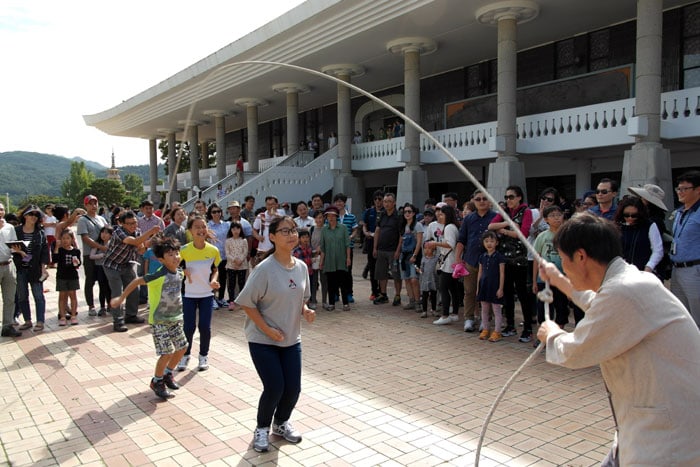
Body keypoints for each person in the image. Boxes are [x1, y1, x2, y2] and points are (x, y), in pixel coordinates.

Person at [536, 213, 700, 466]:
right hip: (645, 426)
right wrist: (559, 281)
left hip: (667, 439)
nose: (562, 265)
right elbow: (599, 305)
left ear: (580, 256)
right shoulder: (632, 281)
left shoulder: (624, 291)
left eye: (563, 260)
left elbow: (576, 351)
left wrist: (552, 334)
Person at [234, 216, 315, 453]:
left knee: (293, 388)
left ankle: (280, 423)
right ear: (272, 237)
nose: (291, 235)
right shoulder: (264, 269)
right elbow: (247, 304)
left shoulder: (300, 267)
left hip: (290, 338)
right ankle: (261, 429)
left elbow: (301, 299)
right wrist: (268, 329)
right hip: (262, 339)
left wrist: (306, 310)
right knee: (274, 387)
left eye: (294, 230)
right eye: (285, 231)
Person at [111, 236, 188, 400]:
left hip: (176, 318)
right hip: (159, 321)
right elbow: (136, 281)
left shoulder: (180, 273)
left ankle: (168, 374)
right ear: (161, 259)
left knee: (182, 347)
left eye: (176, 253)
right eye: (170, 254)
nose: (175, 257)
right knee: (166, 352)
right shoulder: (158, 276)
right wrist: (121, 298)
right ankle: (157, 381)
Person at [488, 186, 534, 341]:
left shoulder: (526, 212)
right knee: (506, 293)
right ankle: (510, 325)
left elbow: (522, 234)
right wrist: (507, 225)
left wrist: (505, 231)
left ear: (520, 197)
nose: (509, 200)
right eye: (506, 197)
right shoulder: (504, 212)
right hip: (503, 260)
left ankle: (527, 328)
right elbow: (491, 226)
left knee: (522, 294)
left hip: (519, 260)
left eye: (512, 197)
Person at [103, 211, 160, 332]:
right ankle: (118, 321)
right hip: (112, 265)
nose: (133, 226)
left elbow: (141, 249)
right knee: (117, 292)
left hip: (127, 264)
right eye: (129, 224)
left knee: (135, 289)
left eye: (134, 222)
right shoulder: (118, 232)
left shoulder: (138, 232)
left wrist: (147, 244)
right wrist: (150, 232)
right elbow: (134, 241)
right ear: (122, 224)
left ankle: (131, 315)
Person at [177, 215, 221, 372]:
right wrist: (183, 271)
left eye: (203, 227)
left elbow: (215, 270)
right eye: (197, 227)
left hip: (206, 295)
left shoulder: (213, 250)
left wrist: (214, 281)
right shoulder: (183, 251)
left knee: (205, 327)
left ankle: (203, 356)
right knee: (188, 327)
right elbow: (175, 269)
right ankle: (185, 355)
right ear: (190, 231)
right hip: (188, 295)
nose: (201, 230)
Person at [455, 190, 497, 332]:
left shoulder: (496, 217)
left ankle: (486, 320)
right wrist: (458, 258)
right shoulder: (468, 219)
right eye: (478, 199)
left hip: (489, 261)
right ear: (473, 201)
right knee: (469, 291)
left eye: (484, 198)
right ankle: (469, 319)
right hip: (470, 260)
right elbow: (461, 240)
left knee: (487, 292)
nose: (481, 201)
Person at [669, 170, 700, 327]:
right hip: (677, 269)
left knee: (697, 316)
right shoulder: (680, 212)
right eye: (678, 189)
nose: (680, 192)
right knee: (682, 316)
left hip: (695, 270)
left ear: (697, 189)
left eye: (684, 189)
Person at [531, 205, 569, 332]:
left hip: (563, 278)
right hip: (544, 279)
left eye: (559, 215)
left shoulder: (567, 235)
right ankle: (544, 335)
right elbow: (537, 259)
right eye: (552, 216)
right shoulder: (542, 236)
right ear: (546, 219)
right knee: (544, 309)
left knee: (562, 308)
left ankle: (558, 334)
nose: (556, 218)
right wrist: (535, 281)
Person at [12, 205, 49, 332]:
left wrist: (43, 268)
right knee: (22, 296)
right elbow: (10, 249)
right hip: (20, 268)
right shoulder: (16, 231)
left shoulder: (40, 233)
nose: (33, 217)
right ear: (25, 216)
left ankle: (40, 321)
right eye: (31, 214)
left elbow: (45, 252)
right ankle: (27, 320)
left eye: (36, 215)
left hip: (35, 269)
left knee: (38, 295)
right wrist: (16, 251)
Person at [427, 205, 460, 325]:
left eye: (441, 214)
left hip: (448, 262)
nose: (439, 216)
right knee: (453, 289)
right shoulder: (453, 226)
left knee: (443, 288)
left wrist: (435, 243)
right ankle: (454, 313)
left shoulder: (449, 227)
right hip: (451, 262)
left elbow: (450, 244)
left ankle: (445, 315)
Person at [613, 196, 663, 273]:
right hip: (620, 271)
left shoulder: (649, 225)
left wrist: (649, 266)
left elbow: (658, 250)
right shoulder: (617, 226)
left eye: (634, 215)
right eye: (626, 215)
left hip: (642, 271)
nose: (630, 218)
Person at [77, 195, 108, 316]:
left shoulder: (102, 219)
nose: (93, 206)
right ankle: (91, 306)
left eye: (95, 203)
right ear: (85, 205)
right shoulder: (82, 220)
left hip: (102, 255)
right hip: (89, 254)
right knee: (90, 280)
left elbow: (108, 232)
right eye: (90, 203)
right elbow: (85, 238)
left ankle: (104, 305)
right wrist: (100, 247)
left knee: (103, 281)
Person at [372, 193, 402, 306]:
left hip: (393, 250)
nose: (386, 203)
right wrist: (375, 247)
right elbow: (377, 231)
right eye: (385, 201)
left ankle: (398, 295)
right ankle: (383, 294)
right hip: (381, 249)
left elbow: (401, 234)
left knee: (395, 274)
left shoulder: (399, 216)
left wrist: (398, 250)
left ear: (394, 202)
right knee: (381, 273)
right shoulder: (381, 215)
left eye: (389, 201)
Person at [320, 206, 351, 311]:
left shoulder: (343, 228)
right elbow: (323, 248)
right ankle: (332, 303)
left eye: (333, 215)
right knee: (331, 283)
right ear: (326, 217)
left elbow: (348, 245)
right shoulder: (324, 230)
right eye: (329, 216)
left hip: (341, 259)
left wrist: (348, 258)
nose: (331, 218)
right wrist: (321, 262)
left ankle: (346, 303)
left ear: (337, 217)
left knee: (343, 282)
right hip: (329, 260)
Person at [476, 231, 506, 342]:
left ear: (497, 243)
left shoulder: (499, 257)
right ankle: (485, 329)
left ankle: (497, 331)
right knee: (484, 309)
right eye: (487, 241)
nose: (489, 244)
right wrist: (478, 287)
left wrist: (501, 288)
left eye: (492, 241)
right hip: (484, 285)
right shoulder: (482, 257)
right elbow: (480, 272)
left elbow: (502, 273)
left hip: (495, 286)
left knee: (496, 309)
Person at [0, 202, 21, 338]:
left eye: (1, 209)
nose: (0, 212)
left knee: (9, 298)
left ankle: (7, 326)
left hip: (8, 265)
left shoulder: (9, 228)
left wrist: (19, 249)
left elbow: (13, 244)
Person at [398, 203, 423, 311]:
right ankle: (411, 300)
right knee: (407, 279)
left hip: (413, 255)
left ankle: (418, 302)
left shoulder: (418, 225)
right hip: (404, 255)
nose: (407, 214)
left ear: (413, 213)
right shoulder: (403, 226)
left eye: (409, 211)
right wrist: (398, 252)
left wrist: (415, 255)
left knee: (414, 279)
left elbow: (419, 242)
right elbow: (401, 240)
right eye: (405, 212)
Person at [334, 193, 358, 303]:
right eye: (337, 201)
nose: (339, 203)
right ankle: (335, 293)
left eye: (341, 201)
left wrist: (351, 237)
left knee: (347, 272)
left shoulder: (351, 216)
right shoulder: (332, 217)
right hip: (335, 248)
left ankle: (349, 294)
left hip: (348, 248)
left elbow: (355, 230)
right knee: (335, 271)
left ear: (344, 203)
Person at [55, 230, 81, 327]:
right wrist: (57, 247)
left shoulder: (76, 251)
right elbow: (55, 260)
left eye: (68, 238)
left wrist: (77, 262)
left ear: (72, 239)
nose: (65, 241)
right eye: (63, 238)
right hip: (61, 276)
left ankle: (73, 315)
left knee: (72, 295)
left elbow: (79, 264)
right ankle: (62, 316)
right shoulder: (60, 250)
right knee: (62, 296)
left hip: (73, 276)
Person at [361, 191, 384, 300]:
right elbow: (364, 225)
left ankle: (382, 291)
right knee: (372, 267)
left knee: (382, 269)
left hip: (383, 242)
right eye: (376, 199)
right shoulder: (369, 211)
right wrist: (366, 233)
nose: (378, 201)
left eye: (380, 199)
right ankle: (374, 291)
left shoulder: (386, 212)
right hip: (371, 240)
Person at [206, 203, 230, 308]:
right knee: (212, 277)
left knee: (223, 277)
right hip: (212, 257)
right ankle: (212, 298)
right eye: (214, 212)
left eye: (218, 211)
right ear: (210, 213)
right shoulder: (207, 226)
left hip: (224, 255)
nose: (216, 214)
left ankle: (221, 298)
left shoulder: (226, 225)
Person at [89, 226, 113, 316]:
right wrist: (101, 255)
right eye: (102, 232)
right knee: (102, 287)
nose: (104, 235)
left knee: (110, 288)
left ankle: (110, 305)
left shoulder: (112, 244)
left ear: (111, 235)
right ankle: (102, 307)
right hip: (99, 268)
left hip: (109, 268)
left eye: (107, 233)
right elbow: (91, 256)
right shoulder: (97, 243)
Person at [253, 196, 282, 267]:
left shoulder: (281, 215)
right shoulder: (261, 216)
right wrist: (257, 236)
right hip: (263, 249)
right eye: (268, 204)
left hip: (277, 250)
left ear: (277, 205)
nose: (270, 206)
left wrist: (276, 216)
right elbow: (254, 230)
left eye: (272, 204)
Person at [225, 222, 249, 307]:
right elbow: (227, 253)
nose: (235, 231)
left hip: (242, 266)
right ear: (230, 230)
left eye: (237, 229)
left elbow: (245, 252)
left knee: (241, 283)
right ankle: (231, 301)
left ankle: (241, 301)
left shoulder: (244, 240)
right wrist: (234, 260)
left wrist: (240, 261)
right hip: (231, 265)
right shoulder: (228, 241)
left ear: (240, 230)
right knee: (231, 284)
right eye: (233, 229)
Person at [416, 242, 438, 319]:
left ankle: (434, 309)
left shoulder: (436, 259)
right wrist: (419, 270)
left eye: (429, 248)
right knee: (425, 295)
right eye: (425, 248)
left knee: (433, 295)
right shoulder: (423, 259)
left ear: (433, 249)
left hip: (433, 280)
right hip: (425, 279)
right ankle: (424, 311)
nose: (427, 250)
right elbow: (422, 269)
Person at [309, 210, 325, 309]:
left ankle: (324, 301)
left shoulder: (327, 229)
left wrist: (321, 249)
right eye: (317, 217)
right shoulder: (311, 229)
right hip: (314, 257)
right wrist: (313, 252)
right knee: (313, 280)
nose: (319, 220)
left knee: (324, 280)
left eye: (321, 217)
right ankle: (313, 300)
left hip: (324, 257)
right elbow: (309, 242)